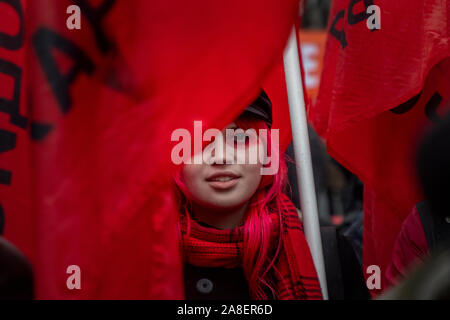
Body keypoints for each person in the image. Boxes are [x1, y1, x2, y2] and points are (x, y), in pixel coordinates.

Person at [173, 90, 322, 300]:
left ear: (266, 152)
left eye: (240, 138)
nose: (221, 157)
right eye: (199, 142)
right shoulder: (139, 262)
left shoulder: (322, 253)